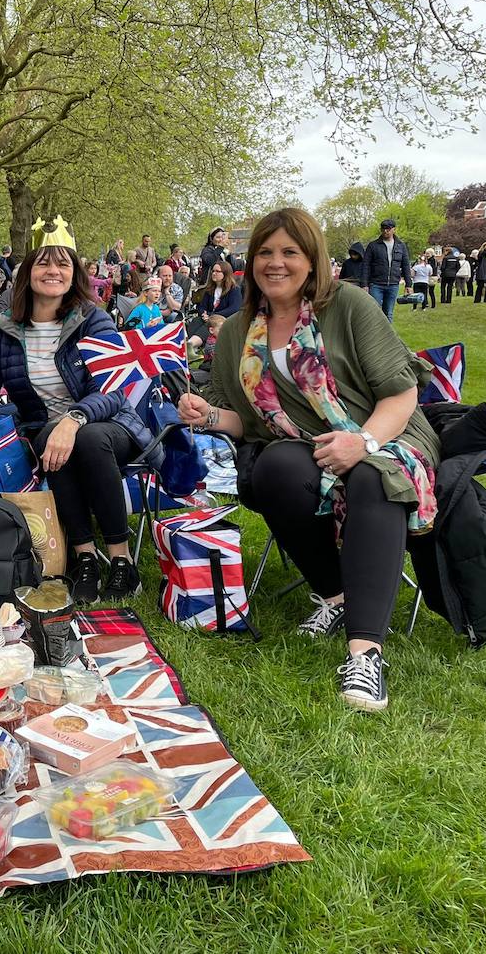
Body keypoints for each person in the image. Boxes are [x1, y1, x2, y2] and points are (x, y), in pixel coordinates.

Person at [178, 207, 438, 713]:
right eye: (265, 253)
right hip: (307, 444)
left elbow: (401, 396)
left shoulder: (348, 305)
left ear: (312, 259)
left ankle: (366, 652)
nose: (276, 263)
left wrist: (361, 443)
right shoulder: (237, 332)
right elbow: (250, 424)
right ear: (249, 262)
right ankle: (336, 595)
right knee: (273, 466)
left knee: (368, 476)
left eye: (289, 252)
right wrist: (209, 414)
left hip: (386, 433)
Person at [0, 217, 151, 603]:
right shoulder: (2, 329)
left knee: (86, 437)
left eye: (63, 263)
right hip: (46, 432)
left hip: (107, 424)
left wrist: (74, 418)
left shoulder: (93, 319)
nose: (53, 271)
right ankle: (84, 556)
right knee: (53, 436)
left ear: (74, 272)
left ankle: (120, 560)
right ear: (28, 271)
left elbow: (113, 390)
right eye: (44, 263)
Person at [359, 217, 412, 321]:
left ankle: (387, 337)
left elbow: (406, 265)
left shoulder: (401, 246)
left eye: (388, 228)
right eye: (383, 228)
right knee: (375, 313)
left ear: (394, 229)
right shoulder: (373, 245)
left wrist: (409, 284)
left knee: (388, 314)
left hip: (393, 285)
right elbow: (366, 265)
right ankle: (374, 336)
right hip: (376, 284)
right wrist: (364, 284)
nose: (385, 231)